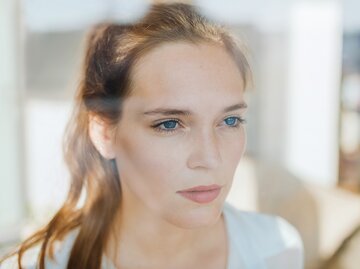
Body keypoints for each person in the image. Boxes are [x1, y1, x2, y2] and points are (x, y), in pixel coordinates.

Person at [0, 2, 304, 269]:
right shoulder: (39, 265)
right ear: (104, 132)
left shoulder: (277, 249)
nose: (210, 158)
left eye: (230, 120)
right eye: (170, 124)